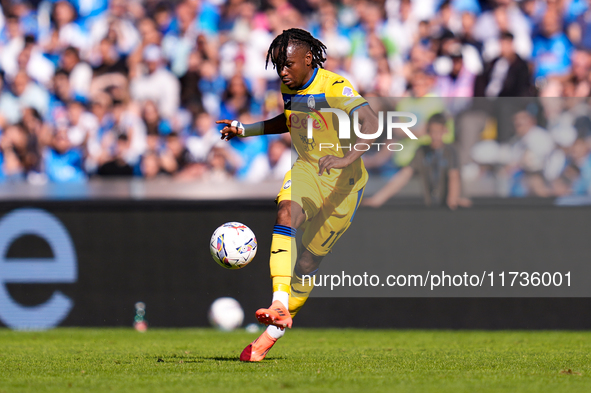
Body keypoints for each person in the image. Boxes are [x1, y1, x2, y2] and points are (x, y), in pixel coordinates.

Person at [217, 28, 379, 362]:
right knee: (286, 213)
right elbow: (289, 121)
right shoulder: (288, 86)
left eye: (288, 64)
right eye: (278, 65)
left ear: (308, 59)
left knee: (307, 262)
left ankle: (269, 336)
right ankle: (279, 301)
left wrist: (347, 157)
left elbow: (372, 123)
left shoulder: (336, 88)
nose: (282, 72)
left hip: (343, 185)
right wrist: (245, 129)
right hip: (308, 168)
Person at [362, 113, 470, 209]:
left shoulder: (451, 151)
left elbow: (454, 176)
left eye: (438, 132)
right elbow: (404, 175)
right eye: (432, 132)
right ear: (427, 131)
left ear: (445, 131)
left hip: (451, 206)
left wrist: (453, 199)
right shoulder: (421, 152)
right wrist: (377, 200)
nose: (435, 137)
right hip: (432, 207)